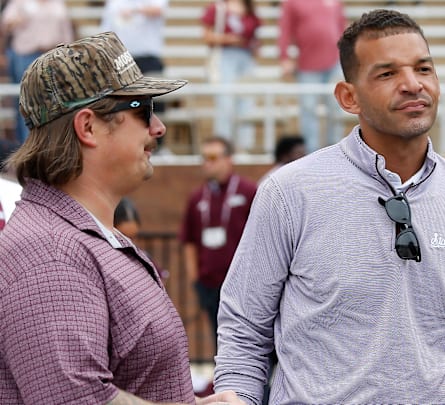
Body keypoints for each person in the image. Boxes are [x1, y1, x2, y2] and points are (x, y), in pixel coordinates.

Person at [214, 9, 445, 405]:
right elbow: (244, 331)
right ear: (348, 97)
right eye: (387, 74)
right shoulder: (288, 193)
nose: (412, 85)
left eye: (424, 69)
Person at [0, 31, 237, 404]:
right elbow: (76, 400)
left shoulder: (82, 235)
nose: (158, 128)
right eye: (142, 109)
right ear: (88, 127)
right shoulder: (48, 254)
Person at [179, 136, 257, 350]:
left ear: (229, 159)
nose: (208, 163)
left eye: (213, 157)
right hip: (210, 283)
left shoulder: (248, 191)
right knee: (220, 341)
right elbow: (189, 241)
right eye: (204, 158)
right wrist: (196, 280)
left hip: (244, 284)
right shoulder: (197, 197)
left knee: (250, 341)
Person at [101, 0, 170, 153]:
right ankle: (127, 145)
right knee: (126, 105)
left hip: (149, 57)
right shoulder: (114, 3)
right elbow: (106, 29)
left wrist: (134, 10)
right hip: (122, 57)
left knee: (155, 103)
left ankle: (158, 146)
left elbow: (158, 10)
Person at [1, 0, 74, 144]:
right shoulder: (20, 3)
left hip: (52, 56)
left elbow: (66, 30)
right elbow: (6, 24)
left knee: (52, 103)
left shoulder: (57, 4)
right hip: (26, 56)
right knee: (27, 104)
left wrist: (68, 54)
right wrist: (17, 21)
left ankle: (49, 144)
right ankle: (27, 145)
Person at [278, 0, 347, 152]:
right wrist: (284, 57)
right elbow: (285, 29)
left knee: (336, 107)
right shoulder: (292, 2)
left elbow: (342, 27)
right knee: (308, 110)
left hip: (334, 62)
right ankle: (311, 151)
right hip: (307, 64)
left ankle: (337, 150)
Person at [200, 0, 261, 153]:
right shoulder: (218, 8)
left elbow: (255, 36)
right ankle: (224, 147)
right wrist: (229, 39)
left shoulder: (249, 8)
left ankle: (244, 146)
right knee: (225, 104)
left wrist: (254, 45)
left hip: (245, 58)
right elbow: (206, 36)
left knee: (247, 104)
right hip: (225, 57)